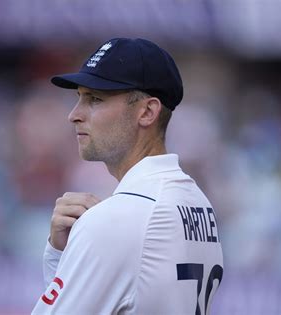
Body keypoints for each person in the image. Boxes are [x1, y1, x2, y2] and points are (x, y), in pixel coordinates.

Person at [32, 38, 223, 315]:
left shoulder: (116, 219)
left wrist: (65, 253)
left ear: (147, 112)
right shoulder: (198, 203)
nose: (74, 115)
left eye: (95, 99)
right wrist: (64, 256)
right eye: (79, 98)